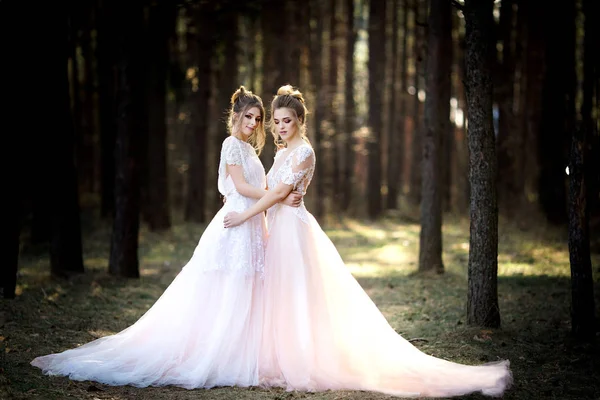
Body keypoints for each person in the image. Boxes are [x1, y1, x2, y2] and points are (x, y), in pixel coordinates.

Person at [223, 84, 513, 398]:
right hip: (277, 226)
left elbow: (279, 193)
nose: (280, 127)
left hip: (292, 229)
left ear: (299, 121)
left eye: (287, 121)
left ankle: (303, 359)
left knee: (297, 292)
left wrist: (245, 215)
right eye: (276, 121)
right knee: (279, 292)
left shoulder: (304, 152)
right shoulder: (281, 152)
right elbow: (275, 190)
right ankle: (276, 357)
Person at [31, 86, 301, 389]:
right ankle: (213, 352)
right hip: (234, 225)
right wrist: (275, 197)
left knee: (247, 287)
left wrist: (267, 211)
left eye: (258, 118)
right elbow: (238, 186)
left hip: (251, 223)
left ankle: (241, 353)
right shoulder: (231, 144)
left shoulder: (250, 150)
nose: (253, 123)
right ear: (236, 116)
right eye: (248, 116)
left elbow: (252, 186)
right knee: (226, 286)